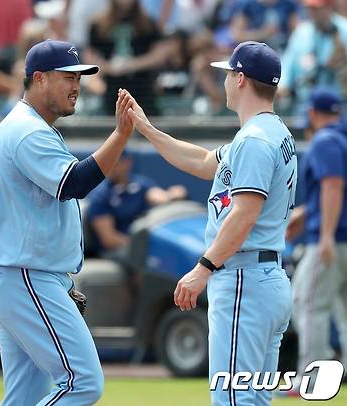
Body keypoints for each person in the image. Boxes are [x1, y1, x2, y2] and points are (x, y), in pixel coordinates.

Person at [125, 41, 295, 405]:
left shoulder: (254, 139)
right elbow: (204, 162)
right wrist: (148, 129)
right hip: (264, 277)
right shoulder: (273, 132)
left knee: (233, 399)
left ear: (241, 80)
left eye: (228, 73)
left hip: (244, 279)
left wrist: (203, 268)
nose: (225, 80)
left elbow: (245, 213)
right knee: (252, 399)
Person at [0, 39, 134, 405]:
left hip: (22, 275)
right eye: (67, 76)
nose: (76, 85)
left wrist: (59, 284)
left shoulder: (30, 126)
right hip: (25, 276)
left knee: (24, 397)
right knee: (82, 383)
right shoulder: (27, 130)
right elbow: (74, 183)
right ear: (39, 79)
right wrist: (121, 135)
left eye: (79, 77)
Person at [284, 87, 347, 396]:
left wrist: (324, 235)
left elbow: (333, 186)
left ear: (312, 113)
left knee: (307, 302)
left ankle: (314, 377)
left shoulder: (324, 140)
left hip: (334, 239)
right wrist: (307, 214)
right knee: (342, 307)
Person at [85, 149, 187, 259]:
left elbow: (157, 196)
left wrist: (172, 195)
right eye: (106, 162)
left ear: (128, 162)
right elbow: (109, 239)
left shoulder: (140, 183)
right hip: (116, 250)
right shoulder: (100, 195)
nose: (110, 167)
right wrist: (141, 246)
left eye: (115, 162)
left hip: (140, 242)